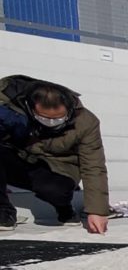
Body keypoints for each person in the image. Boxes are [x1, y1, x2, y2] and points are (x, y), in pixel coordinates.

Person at [0, 75, 109, 234]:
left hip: (59, 168)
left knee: (55, 190)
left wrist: (97, 211)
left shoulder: (86, 122)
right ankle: (4, 211)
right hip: (21, 160)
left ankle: (65, 209)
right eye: (44, 119)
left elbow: (94, 166)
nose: (51, 123)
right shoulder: (13, 110)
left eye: (58, 119)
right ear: (31, 108)